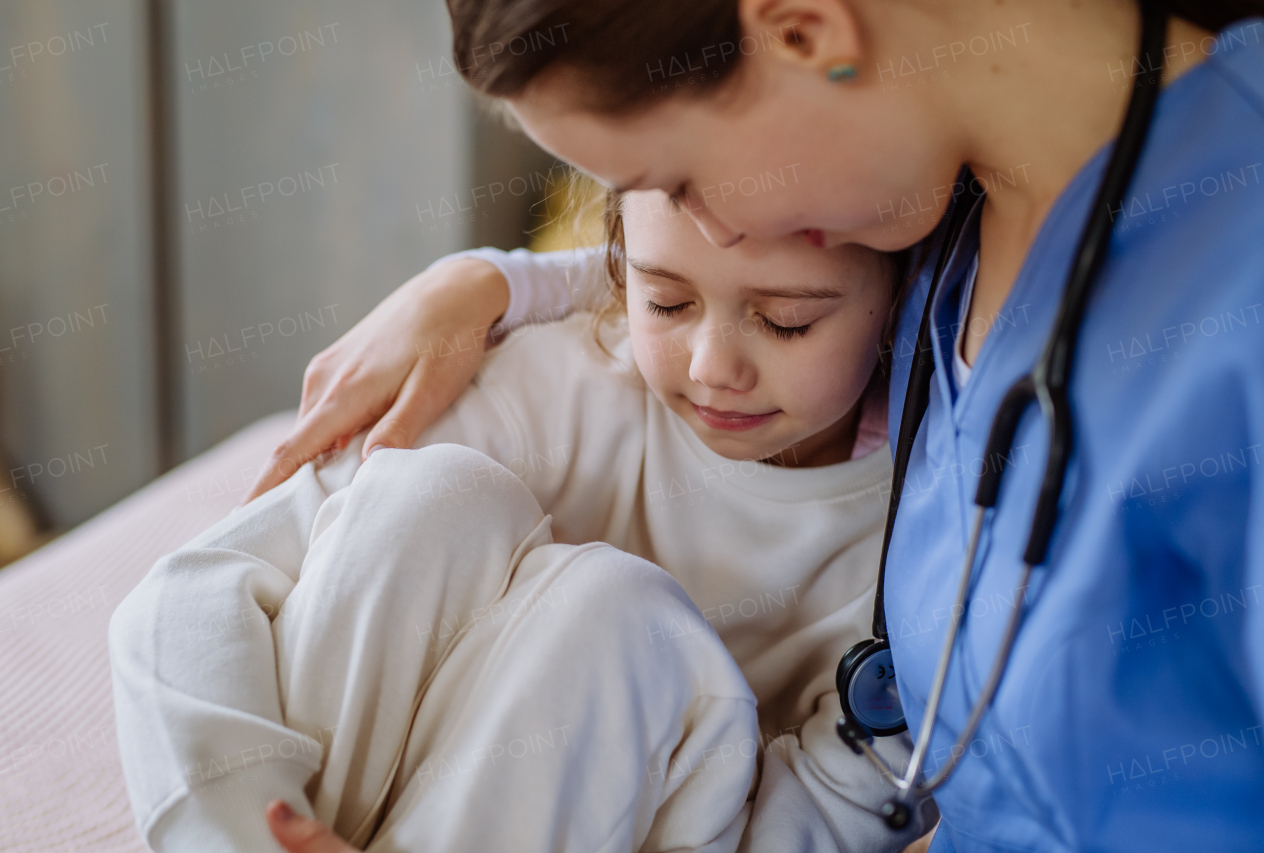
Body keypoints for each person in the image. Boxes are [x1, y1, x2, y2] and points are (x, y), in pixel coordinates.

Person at [242, 1, 1264, 850]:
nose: (708, 230)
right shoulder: (939, 223)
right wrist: (485, 285)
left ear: (803, 34)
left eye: (675, 183)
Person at [110, 189, 936, 853]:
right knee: (432, 495)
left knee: (617, 614)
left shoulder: (930, 543)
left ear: (908, 293)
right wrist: (235, 825)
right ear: (618, 271)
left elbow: (834, 813)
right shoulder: (564, 379)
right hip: (331, 810)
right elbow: (185, 597)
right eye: (666, 301)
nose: (711, 367)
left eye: (785, 320)